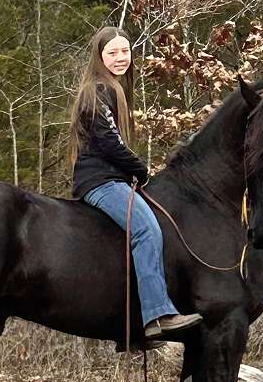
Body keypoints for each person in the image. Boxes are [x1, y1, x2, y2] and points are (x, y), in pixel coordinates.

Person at [69, 26, 202, 344]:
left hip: (110, 177)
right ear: (99, 57)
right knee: (146, 230)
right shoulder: (98, 90)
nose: (119, 58)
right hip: (99, 181)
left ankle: (131, 326)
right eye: (112, 52)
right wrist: (140, 169)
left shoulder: (113, 89)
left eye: (124, 51)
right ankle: (158, 315)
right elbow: (108, 141)